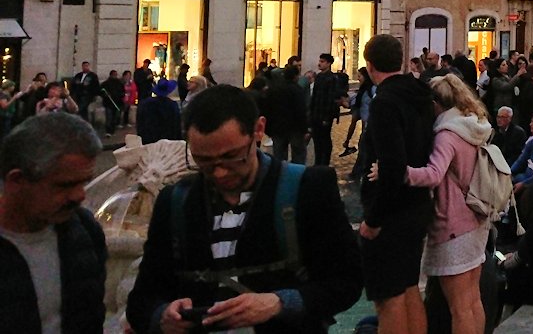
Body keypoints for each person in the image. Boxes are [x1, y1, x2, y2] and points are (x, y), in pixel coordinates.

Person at [127, 85, 362, 333]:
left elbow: (347, 281)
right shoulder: (174, 201)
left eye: (232, 156)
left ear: (258, 130)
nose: (219, 171)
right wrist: (162, 316)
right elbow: (142, 299)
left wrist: (279, 303)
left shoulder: (308, 188)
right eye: (203, 160)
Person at [0, 112, 107, 333]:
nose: (79, 196)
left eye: (84, 183)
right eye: (64, 185)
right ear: (16, 181)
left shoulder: (84, 230)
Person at [358, 34, 436, 334]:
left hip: (391, 212)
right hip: (418, 204)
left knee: (388, 299)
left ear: (369, 64)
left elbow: (391, 165)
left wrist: (373, 220)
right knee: (409, 288)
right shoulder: (420, 93)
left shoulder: (385, 102)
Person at [400, 74, 490, 334]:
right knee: (473, 300)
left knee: (459, 307)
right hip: (476, 219)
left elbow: (433, 174)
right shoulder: (472, 127)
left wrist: (399, 171)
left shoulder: (446, 134)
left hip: (452, 224)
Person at [261, 68, 308, 164]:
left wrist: (268, 128)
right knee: (298, 154)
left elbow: (267, 108)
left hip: (278, 127)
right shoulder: (297, 90)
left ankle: (280, 174)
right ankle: (297, 174)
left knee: (279, 155)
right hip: (295, 128)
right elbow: (301, 110)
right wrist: (305, 128)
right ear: (295, 77)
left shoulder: (273, 89)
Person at [307, 54, 341, 166]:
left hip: (324, 115)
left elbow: (331, 99)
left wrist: (327, 117)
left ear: (328, 63)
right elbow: (315, 96)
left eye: (322, 61)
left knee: (324, 139)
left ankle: (324, 162)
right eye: (320, 60)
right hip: (316, 113)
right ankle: (318, 161)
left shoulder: (332, 78)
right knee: (317, 140)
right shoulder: (319, 77)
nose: (319, 63)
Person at [342, 67, 374, 157]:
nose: (358, 78)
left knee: (363, 133)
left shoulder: (370, 89)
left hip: (365, 113)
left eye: (359, 76)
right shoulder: (363, 88)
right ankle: (348, 142)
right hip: (360, 109)